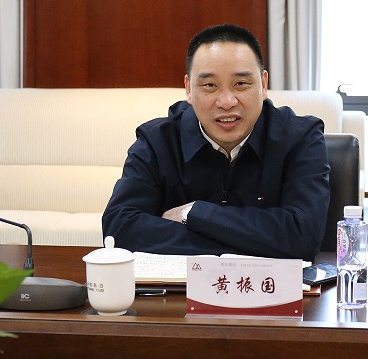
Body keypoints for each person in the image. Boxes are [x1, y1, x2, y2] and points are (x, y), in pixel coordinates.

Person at [102, 24, 330, 261]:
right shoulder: (157, 141)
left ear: (263, 85)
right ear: (189, 89)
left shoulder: (300, 138)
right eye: (210, 85)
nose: (227, 101)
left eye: (241, 84)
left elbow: (303, 236)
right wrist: (258, 242)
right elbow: (119, 229)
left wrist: (194, 213)